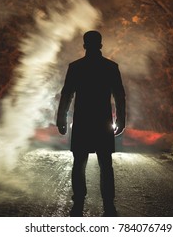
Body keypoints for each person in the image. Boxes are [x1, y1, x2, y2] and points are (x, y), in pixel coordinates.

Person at [56, 30, 126, 217]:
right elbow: (119, 96)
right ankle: (108, 205)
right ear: (100, 45)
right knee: (105, 163)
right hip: (102, 122)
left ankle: (78, 201)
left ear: (85, 45)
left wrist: (61, 118)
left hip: (83, 122)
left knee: (79, 162)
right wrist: (121, 118)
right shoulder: (110, 67)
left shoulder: (76, 67)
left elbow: (67, 94)